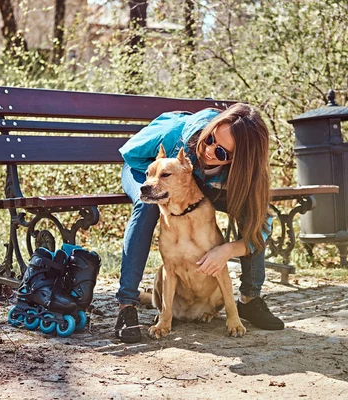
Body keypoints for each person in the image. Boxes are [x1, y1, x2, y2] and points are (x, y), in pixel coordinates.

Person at [114, 103, 284, 343]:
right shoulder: (176, 133)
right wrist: (158, 182)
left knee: (253, 218)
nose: (210, 150)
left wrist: (227, 250)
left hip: (198, 181)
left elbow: (263, 228)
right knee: (147, 207)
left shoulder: (244, 175)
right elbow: (130, 154)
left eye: (222, 153)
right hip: (143, 170)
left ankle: (249, 299)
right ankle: (126, 304)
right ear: (213, 127)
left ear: (239, 160)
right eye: (212, 138)